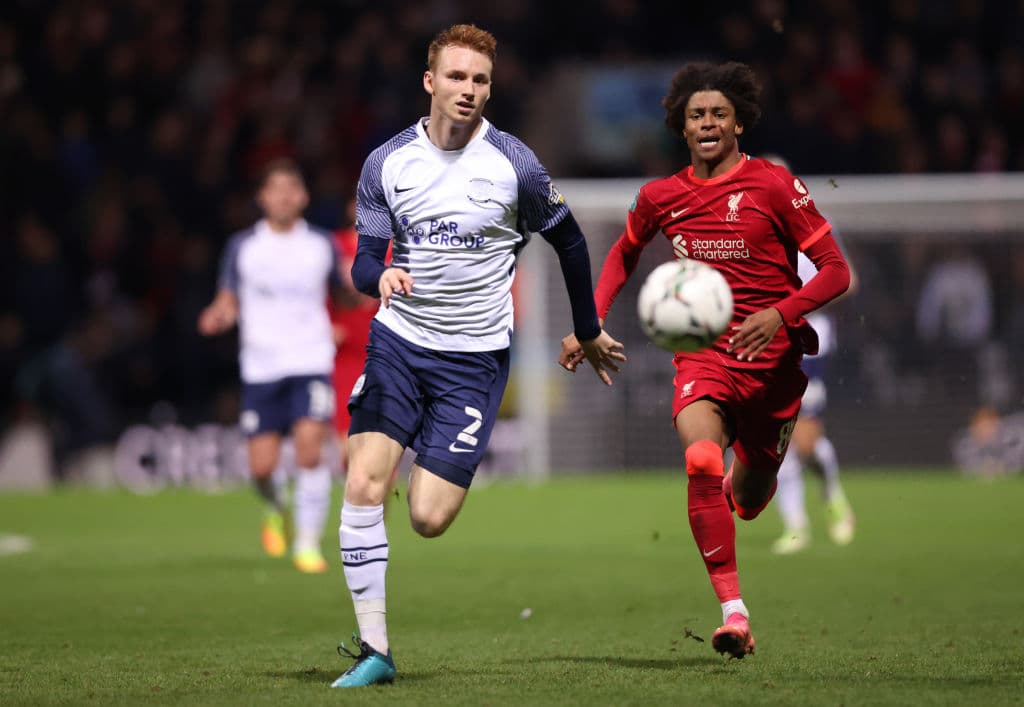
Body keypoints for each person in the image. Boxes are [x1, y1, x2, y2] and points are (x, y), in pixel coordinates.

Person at [332, 23, 625, 688]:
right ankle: (375, 649)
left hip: (474, 359)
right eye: (457, 77)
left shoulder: (515, 165)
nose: (469, 90)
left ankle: (416, 457)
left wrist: (585, 326)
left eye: (481, 80)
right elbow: (364, 259)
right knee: (363, 480)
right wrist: (377, 276)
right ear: (430, 82)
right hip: (399, 342)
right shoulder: (387, 162)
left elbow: (572, 243)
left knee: (429, 518)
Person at [560, 62, 851, 658]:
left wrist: (782, 312)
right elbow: (622, 253)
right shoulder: (661, 197)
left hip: (774, 368)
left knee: (747, 499)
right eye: (697, 115)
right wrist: (587, 325)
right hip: (705, 361)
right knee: (698, 459)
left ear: (739, 121)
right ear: (682, 127)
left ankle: (738, 489)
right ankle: (734, 613)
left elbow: (836, 271)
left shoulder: (773, 186)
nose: (708, 123)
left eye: (719, 113)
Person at [199, 159, 339, 574]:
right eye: (274, 188)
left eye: (290, 188)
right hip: (261, 366)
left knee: (311, 451)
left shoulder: (320, 244)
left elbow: (343, 293)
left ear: (303, 196)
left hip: (311, 359)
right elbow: (229, 297)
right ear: (261, 197)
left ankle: (308, 544)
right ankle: (275, 507)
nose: (283, 196)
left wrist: (356, 304)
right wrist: (219, 314)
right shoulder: (244, 246)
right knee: (262, 467)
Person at [770, 251, 857, 554]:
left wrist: (800, 303)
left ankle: (832, 495)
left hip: (809, 344)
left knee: (805, 439)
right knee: (777, 439)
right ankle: (795, 527)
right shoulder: (752, 223)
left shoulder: (813, 228)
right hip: (768, 339)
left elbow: (848, 281)